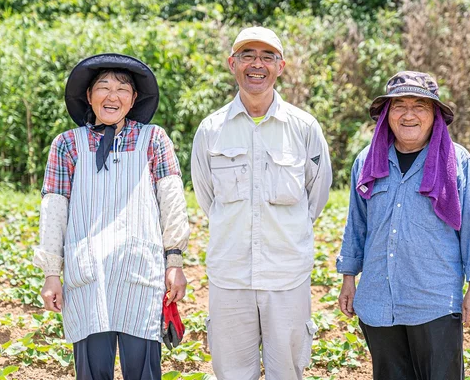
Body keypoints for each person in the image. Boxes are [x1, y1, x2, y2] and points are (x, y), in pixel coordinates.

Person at [33, 53, 191, 380]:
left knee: (144, 373)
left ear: (133, 100)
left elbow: (172, 199)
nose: (112, 95)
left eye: (122, 89)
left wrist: (174, 261)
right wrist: (52, 272)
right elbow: (54, 208)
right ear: (89, 97)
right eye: (103, 87)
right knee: (92, 374)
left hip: (140, 276)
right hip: (88, 276)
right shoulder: (67, 145)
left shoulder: (154, 140)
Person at [191, 27, 332, 380]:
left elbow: (315, 198)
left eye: (267, 57)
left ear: (280, 66)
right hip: (230, 277)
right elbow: (207, 198)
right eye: (248, 56)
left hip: (287, 277)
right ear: (232, 64)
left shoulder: (304, 128)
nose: (257, 64)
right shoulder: (211, 130)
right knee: (232, 373)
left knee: (288, 371)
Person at [336, 71, 470, 380]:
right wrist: (348, 278)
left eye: (419, 105)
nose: (409, 114)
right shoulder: (367, 161)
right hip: (379, 301)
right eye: (399, 106)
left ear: (435, 114)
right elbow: (356, 225)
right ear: (386, 114)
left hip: (433, 300)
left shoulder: (457, 161)